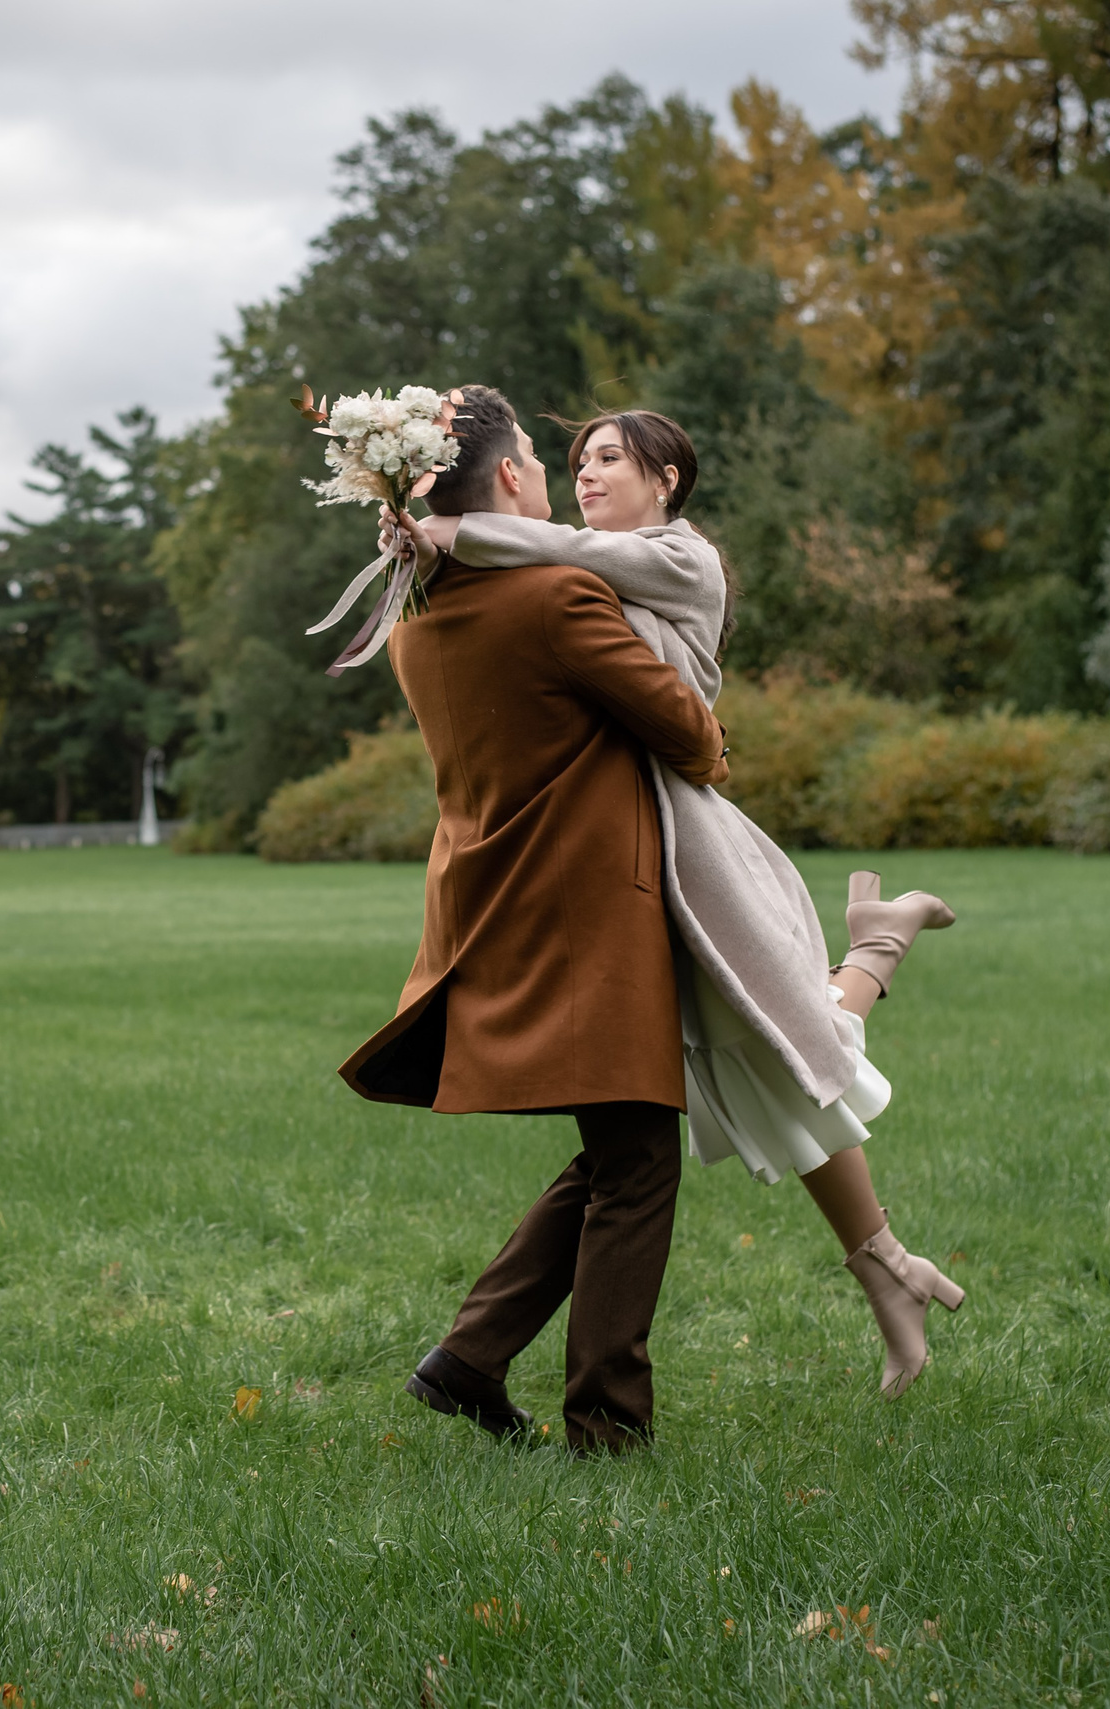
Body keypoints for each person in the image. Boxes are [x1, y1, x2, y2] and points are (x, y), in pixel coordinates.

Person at [404, 407, 963, 1400]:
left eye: (606, 457)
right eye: (567, 459)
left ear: (667, 480)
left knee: (786, 1048)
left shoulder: (674, 558)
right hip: (640, 846)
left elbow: (559, 558)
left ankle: (876, 951)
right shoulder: (563, 578)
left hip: (688, 840)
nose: (580, 474)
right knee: (749, 1068)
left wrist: (451, 533)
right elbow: (552, 570)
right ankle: (884, 1251)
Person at [336, 386, 731, 1453]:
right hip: (584, 910)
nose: (560, 480)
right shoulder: (556, 598)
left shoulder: (417, 616)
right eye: (542, 462)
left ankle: (466, 1361)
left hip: (487, 896)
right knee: (639, 1155)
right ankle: (607, 1421)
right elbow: (687, 731)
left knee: (620, 1147)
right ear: (510, 477)